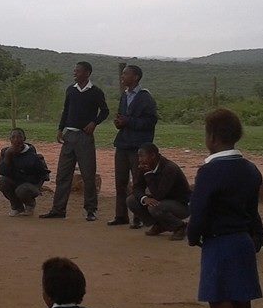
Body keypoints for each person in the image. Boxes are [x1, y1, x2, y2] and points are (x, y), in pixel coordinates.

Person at [186, 109, 263, 308]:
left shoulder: (210, 172)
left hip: (220, 245)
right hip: (243, 243)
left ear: (212, 137)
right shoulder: (251, 169)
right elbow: (253, 212)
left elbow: (200, 213)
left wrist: (193, 236)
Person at [41, 62, 109, 221]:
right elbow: (66, 110)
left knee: (88, 174)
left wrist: (94, 123)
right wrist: (60, 128)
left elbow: (105, 111)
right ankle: (58, 209)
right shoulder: (71, 90)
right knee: (63, 174)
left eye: (78, 71)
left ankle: (91, 210)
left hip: (85, 137)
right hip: (69, 135)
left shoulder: (95, 92)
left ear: (87, 73)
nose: (75, 73)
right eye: (75, 71)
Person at [109, 65, 158, 226]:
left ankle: (139, 217)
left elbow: (151, 121)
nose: (122, 76)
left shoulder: (145, 97)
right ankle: (121, 216)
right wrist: (119, 123)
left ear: (136, 77)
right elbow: (122, 117)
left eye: (125, 74)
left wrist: (127, 121)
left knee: (138, 182)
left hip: (138, 146)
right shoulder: (124, 96)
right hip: (123, 143)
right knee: (120, 181)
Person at [127, 143, 191, 239]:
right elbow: (137, 188)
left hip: (181, 205)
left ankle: (180, 227)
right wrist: (144, 198)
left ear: (152, 156)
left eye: (142, 156)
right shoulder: (145, 166)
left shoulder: (169, 168)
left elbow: (159, 194)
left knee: (154, 207)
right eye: (139, 156)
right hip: (164, 201)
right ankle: (160, 225)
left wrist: (148, 173)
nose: (139, 159)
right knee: (131, 201)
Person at [0, 128, 51, 216]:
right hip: (15, 181)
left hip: (30, 184)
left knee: (22, 190)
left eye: (19, 137)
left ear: (24, 139)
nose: (16, 140)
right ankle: (17, 207)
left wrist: (36, 186)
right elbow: (2, 171)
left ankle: (30, 204)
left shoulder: (32, 154)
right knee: (1, 182)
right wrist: (8, 157)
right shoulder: (5, 152)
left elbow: (43, 174)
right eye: (13, 137)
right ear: (10, 139)